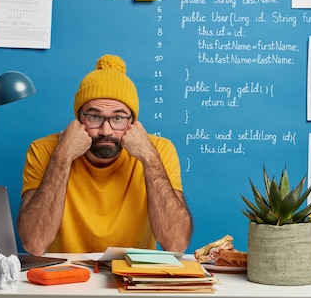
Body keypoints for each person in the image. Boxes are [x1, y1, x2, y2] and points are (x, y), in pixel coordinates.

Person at [17, 54, 192, 256]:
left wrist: (150, 159)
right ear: (79, 119)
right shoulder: (45, 150)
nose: (106, 131)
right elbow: (34, 243)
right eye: (95, 117)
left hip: (134, 278)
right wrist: (62, 156)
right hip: (67, 278)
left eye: (118, 118)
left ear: (132, 122)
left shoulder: (159, 150)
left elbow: (177, 244)